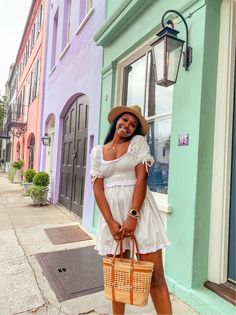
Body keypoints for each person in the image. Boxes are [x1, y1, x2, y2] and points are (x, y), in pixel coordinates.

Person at [91, 105, 172, 315]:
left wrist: (132, 215)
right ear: (116, 121)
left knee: (155, 276)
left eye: (133, 124)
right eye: (124, 120)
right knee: (117, 275)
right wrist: (110, 222)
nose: (127, 126)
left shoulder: (138, 143)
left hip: (140, 212)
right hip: (111, 216)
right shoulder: (98, 151)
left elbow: (141, 179)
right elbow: (97, 187)